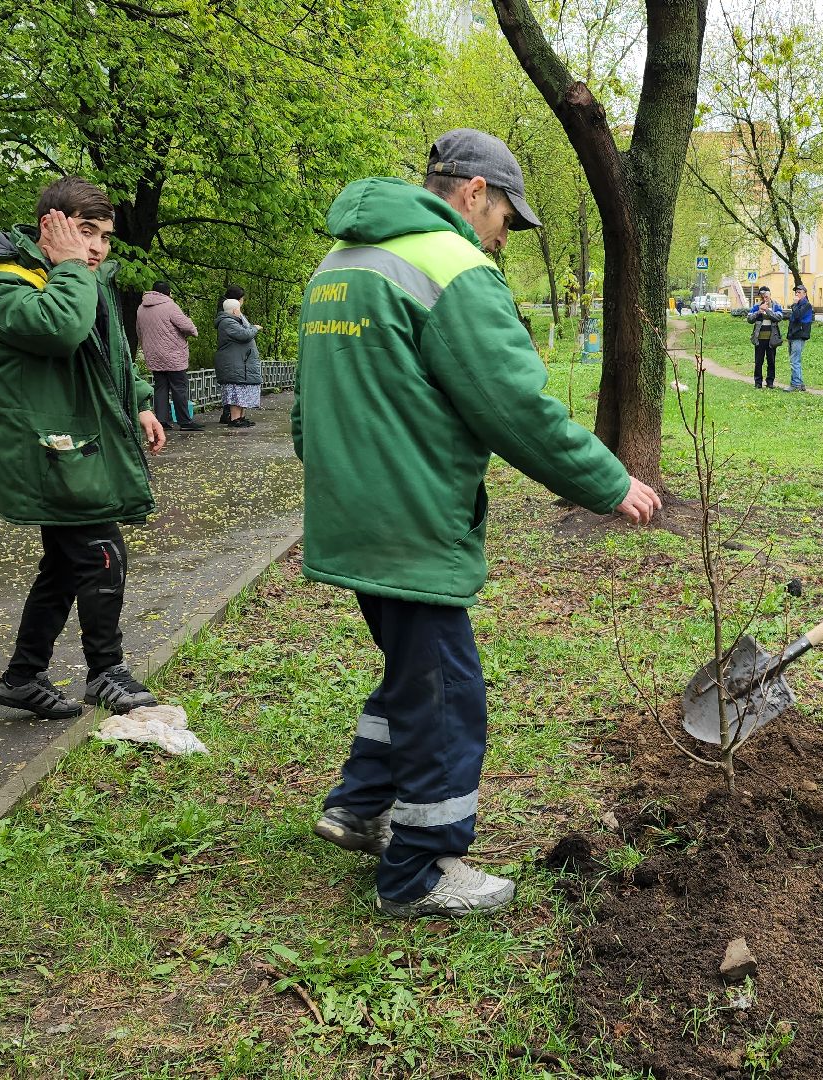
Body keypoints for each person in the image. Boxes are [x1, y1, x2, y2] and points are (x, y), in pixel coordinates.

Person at [294, 128, 661, 919]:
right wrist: (608, 482)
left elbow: (308, 411)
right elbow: (515, 407)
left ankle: (359, 805)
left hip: (348, 509)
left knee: (410, 668)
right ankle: (422, 868)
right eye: (506, 219)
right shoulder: (452, 267)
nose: (503, 237)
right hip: (411, 516)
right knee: (447, 692)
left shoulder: (339, 264)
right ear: (473, 193)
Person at [0, 175, 168, 722]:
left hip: (76, 445)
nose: (96, 247)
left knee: (64, 565)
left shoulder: (79, 278)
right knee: (103, 555)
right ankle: (107, 671)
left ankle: (23, 677)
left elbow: (108, 355)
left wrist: (141, 401)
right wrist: (72, 267)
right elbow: (61, 331)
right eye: (85, 232)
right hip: (47, 451)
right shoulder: (2, 279)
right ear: (50, 226)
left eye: (104, 236)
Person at [137, 281, 201, 432]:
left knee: (160, 387)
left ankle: (162, 421)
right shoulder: (170, 305)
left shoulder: (141, 308)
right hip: (173, 354)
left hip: (153, 354)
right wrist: (193, 330)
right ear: (168, 293)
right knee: (179, 387)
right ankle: (184, 421)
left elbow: (139, 331)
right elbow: (186, 325)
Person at [215, 287, 261, 428]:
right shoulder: (227, 322)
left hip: (242, 363)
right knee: (236, 391)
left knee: (243, 390)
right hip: (235, 364)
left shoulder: (235, 320)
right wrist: (255, 328)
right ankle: (235, 418)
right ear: (235, 310)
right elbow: (244, 334)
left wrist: (242, 319)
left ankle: (241, 417)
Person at [745, 286, 785, 389]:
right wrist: (759, 311)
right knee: (758, 361)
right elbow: (749, 319)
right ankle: (758, 382)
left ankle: (770, 382)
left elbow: (779, 317)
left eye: (766, 296)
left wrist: (767, 310)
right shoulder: (756, 306)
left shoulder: (776, 305)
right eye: (762, 296)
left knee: (771, 361)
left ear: (770, 295)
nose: (764, 298)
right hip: (759, 338)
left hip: (772, 339)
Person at [785, 284, 814, 391]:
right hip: (793, 335)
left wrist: (794, 304)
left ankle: (795, 385)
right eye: (796, 292)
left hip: (799, 335)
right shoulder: (797, 306)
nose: (797, 294)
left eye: (799, 292)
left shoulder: (806, 305)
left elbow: (798, 316)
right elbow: (792, 321)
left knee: (794, 361)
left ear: (805, 294)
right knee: (795, 360)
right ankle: (800, 384)